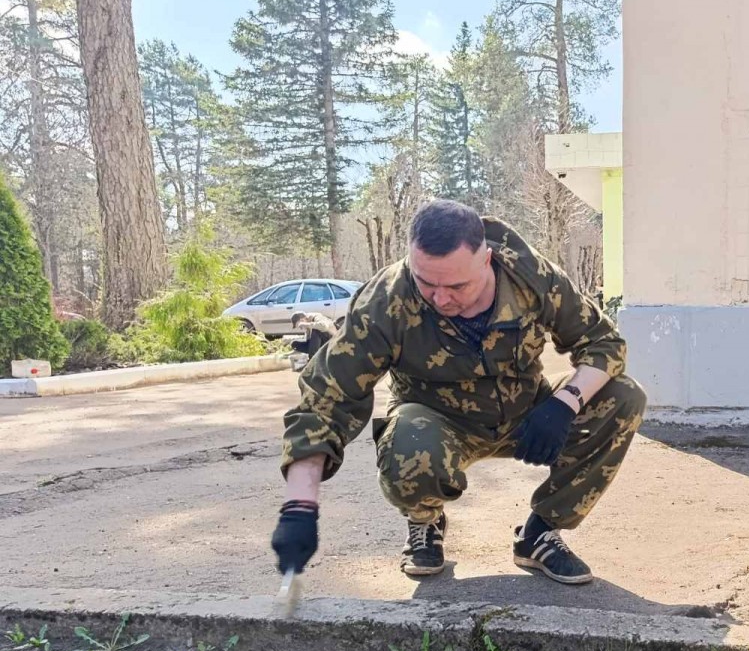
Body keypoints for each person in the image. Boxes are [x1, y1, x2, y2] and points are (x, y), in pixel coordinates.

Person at [270, 199, 646, 586]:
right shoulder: (386, 301)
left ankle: (541, 532)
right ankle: (425, 520)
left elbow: (603, 343)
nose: (440, 298)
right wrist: (299, 507)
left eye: (455, 286)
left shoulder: (531, 277)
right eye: (426, 283)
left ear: (487, 260)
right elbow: (326, 398)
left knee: (624, 397)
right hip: (435, 421)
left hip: (526, 414)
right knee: (409, 447)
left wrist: (565, 404)